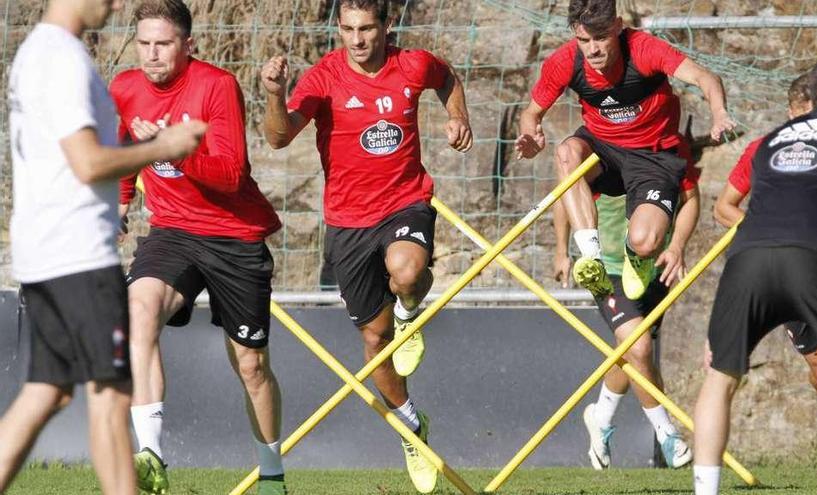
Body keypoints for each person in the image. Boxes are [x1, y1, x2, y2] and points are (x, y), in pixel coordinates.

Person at [261, 0, 471, 491]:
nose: (356, 40)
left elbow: (448, 79)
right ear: (339, 28)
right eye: (348, 29)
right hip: (348, 223)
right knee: (375, 344)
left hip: (404, 203)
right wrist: (274, 95)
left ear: (386, 26)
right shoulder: (323, 77)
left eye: (366, 29)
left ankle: (409, 310)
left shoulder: (412, 64)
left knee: (407, 269)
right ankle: (411, 429)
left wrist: (457, 115)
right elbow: (278, 138)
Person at [0, 0, 205, 493]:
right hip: (78, 257)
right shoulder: (62, 58)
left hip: (45, 253)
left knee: (47, 393)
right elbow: (87, 163)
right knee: (112, 399)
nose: (115, 5)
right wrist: (165, 147)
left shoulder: (35, 53)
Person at [111, 1, 286, 494]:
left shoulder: (216, 86)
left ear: (188, 45)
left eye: (163, 44)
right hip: (173, 232)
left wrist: (171, 146)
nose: (151, 54)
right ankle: (151, 454)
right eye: (143, 43)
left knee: (251, 367)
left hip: (235, 236)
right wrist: (121, 204)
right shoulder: (124, 87)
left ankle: (272, 476)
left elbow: (231, 175)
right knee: (138, 308)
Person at [693, 53, 817, 495]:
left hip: (748, 260)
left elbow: (760, 210)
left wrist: (718, 327)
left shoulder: (773, 140)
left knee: (720, 377)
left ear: (811, 98)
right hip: (816, 258)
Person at [516, 0, 735, 302]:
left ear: (618, 27)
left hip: (651, 155)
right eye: (583, 40)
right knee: (566, 152)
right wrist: (529, 134)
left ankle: (638, 257)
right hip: (601, 149)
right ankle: (592, 258)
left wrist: (719, 112)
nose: (592, 50)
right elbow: (531, 113)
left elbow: (705, 77)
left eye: (601, 38)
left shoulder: (644, 49)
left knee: (645, 240)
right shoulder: (565, 61)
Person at [553, 157, 700, 469]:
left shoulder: (665, 148)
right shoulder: (598, 152)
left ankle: (600, 417)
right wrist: (561, 251)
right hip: (609, 271)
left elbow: (690, 197)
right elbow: (566, 195)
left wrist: (677, 246)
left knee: (633, 352)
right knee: (640, 346)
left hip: (654, 268)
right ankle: (667, 433)